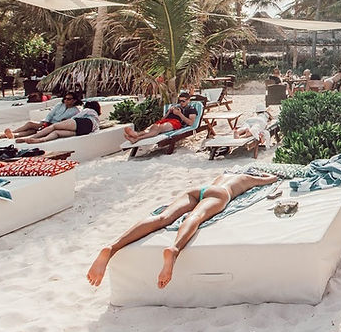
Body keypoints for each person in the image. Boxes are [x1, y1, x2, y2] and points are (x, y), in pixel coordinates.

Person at [86, 168, 279, 288]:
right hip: (221, 194)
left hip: (199, 189)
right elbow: (271, 179)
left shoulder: (224, 174)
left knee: (163, 217)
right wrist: (263, 176)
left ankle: (112, 247)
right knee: (196, 216)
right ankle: (174, 250)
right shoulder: (247, 178)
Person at [123, 92, 199, 144]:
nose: (181, 103)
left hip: (175, 122)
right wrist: (169, 112)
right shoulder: (177, 106)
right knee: (152, 127)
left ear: (188, 100)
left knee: (158, 128)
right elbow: (163, 119)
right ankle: (136, 135)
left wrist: (179, 114)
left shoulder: (191, 108)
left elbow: (191, 123)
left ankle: (137, 138)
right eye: (180, 101)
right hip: (166, 120)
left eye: (183, 101)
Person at [0, 93, 81, 139]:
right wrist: (45, 122)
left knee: (32, 129)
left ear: (74, 101)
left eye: (69, 99)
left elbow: (68, 122)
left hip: (55, 125)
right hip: (47, 122)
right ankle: (12, 134)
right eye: (65, 98)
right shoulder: (60, 105)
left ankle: (11, 135)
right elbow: (50, 114)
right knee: (30, 126)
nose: (66, 100)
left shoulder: (75, 111)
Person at [17, 100, 102, 143]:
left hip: (83, 123)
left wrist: (68, 121)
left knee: (54, 127)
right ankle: (41, 140)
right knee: (57, 133)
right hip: (86, 130)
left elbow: (76, 117)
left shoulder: (89, 110)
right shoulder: (96, 119)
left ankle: (31, 138)